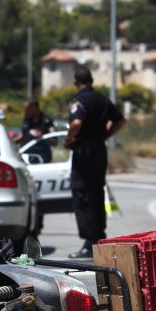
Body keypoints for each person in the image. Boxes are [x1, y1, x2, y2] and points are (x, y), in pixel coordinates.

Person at [63, 66, 126, 259]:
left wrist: (69, 139)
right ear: (91, 80)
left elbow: (76, 123)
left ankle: (90, 242)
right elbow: (120, 120)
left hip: (84, 153)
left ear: (75, 81)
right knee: (97, 194)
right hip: (99, 151)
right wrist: (105, 135)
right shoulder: (102, 99)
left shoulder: (79, 101)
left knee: (82, 195)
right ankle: (99, 238)